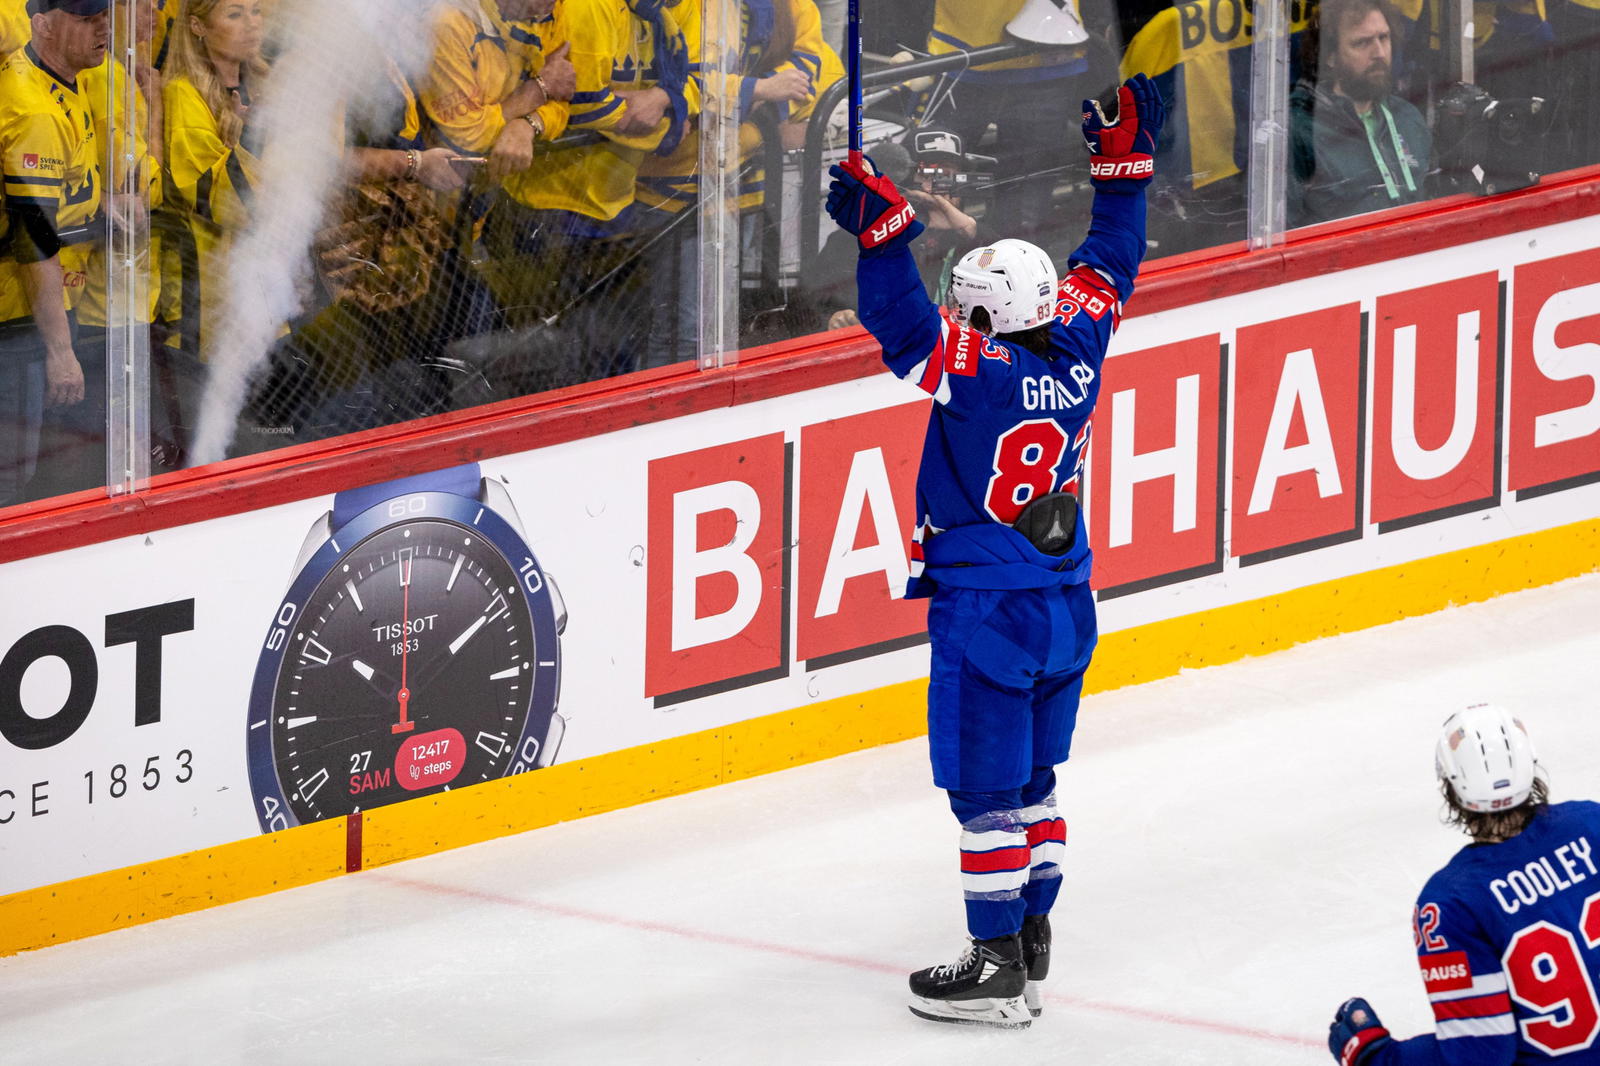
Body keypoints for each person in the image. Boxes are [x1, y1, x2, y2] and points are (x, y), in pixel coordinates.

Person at [824, 72, 1164, 1028]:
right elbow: (1112, 257)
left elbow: (900, 329)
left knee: (983, 794)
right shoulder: (1083, 339)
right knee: (1036, 784)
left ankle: (994, 960)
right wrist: (1123, 171)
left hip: (988, 614)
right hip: (1069, 606)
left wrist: (884, 236)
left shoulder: (974, 371)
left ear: (978, 315)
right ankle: (1033, 930)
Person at [1327, 703, 1600, 1065]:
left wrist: (1376, 1057)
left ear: (1449, 786)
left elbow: (1481, 1056)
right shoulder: (1592, 823)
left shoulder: (1451, 902)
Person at [0, 0, 106, 508]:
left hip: (37, 313)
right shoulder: (35, 110)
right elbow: (33, 239)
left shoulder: (59, 79)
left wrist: (107, 201)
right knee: (10, 481)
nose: (103, 25)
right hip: (17, 324)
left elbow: (59, 194)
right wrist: (61, 352)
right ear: (43, 26)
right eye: (86, 19)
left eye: (103, 14)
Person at [1290, 0, 1432, 227]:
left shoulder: (1407, 117)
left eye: (1384, 38)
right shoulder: (1299, 131)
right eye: (1362, 43)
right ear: (1330, 56)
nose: (1378, 52)